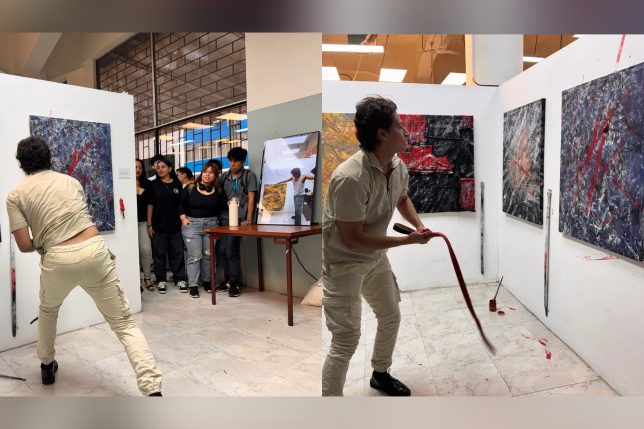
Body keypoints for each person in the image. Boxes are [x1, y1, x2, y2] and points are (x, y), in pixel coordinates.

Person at [6, 136, 163, 396]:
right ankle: (153, 390)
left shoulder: (15, 195)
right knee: (124, 323)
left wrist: (44, 240)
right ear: (49, 157)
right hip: (93, 249)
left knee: (48, 311)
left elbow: (24, 245)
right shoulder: (71, 182)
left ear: (21, 162)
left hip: (57, 258)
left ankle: (46, 365)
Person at [321, 96, 433, 397]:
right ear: (382, 134)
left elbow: (402, 198)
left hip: (375, 259)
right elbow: (353, 238)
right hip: (344, 264)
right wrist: (407, 240)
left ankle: (380, 374)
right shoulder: (350, 177)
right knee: (345, 340)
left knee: (390, 315)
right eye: (399, 126)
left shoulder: (397, 166)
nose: (405, 131)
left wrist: (418, 225)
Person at [179, 161, 226, 298]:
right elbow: (180, 205)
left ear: (215, 176)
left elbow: (223, 206)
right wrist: (184, 219)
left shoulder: (218, 190)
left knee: (209, 255)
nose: (207, 174)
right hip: (192, 225)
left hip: (212, 225)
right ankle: (193, 285)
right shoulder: (190, 187)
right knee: (194, 256)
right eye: (205, 171)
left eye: (211, 173)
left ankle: (207, 282)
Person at [217, 147, 258, 297]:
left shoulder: (249, 176)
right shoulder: (224, 177)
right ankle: (228, 280)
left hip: (240, 220)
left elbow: (252, 198)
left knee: (231, 250)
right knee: (222, 251)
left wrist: (249, 218)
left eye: (236, 161)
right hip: (224, 218)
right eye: (231, 161)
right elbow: (218, 195)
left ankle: (234, 283)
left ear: (243, 161)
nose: (233, 164)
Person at [147, 157, 187, 294]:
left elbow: (180, 205)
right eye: (158, 168)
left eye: (163, 167)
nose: (160, 169)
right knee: (159, 254)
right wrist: (149, 224)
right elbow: (150, 205)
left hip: (175, 226)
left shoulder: (177, 184)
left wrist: (183, 221)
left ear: (170, 168)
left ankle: (179, 279)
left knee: (177, 253)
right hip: (158, 226)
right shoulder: (153, 185)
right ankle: (161, 281)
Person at [135, 158, 154, 292]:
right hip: (128, 224)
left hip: (143, 222)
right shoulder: (124, 183)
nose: (137, 169)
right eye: (135, 167)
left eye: (140, 167)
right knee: (132, 252)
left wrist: (149, 224)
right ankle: (135, 279)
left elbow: (150, 205)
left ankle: (147, 277)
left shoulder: (148, 184)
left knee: (146, 250)